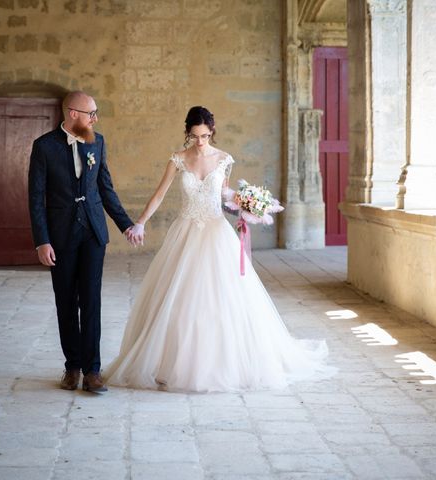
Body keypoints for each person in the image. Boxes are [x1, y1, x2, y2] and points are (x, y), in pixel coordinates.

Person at [105, 106, 334, 392]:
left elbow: (225, 197)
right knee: (177, 297)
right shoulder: (178, 159)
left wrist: (247, 207)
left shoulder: (224, 159)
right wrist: (139, 223)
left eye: (205, 135)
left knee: (223, 299)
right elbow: (159, 194)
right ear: (187, 132)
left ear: (212, 131)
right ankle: (167, 364)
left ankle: (227, 364)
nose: (200, 141)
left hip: (216, 232)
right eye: (195, 135)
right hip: (186, 232)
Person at [28, 91, 140, 393]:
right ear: (73, 113)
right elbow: (36, 199)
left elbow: (106, 188)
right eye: (91, 112)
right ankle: (72, 367)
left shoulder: (97, 142)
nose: (95, 118)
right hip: (60, 235)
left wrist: (126, 224)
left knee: (91, 300)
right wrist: (42, 241)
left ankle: (93, 370)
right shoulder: (44, 147)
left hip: (93, 232)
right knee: (66, 301)